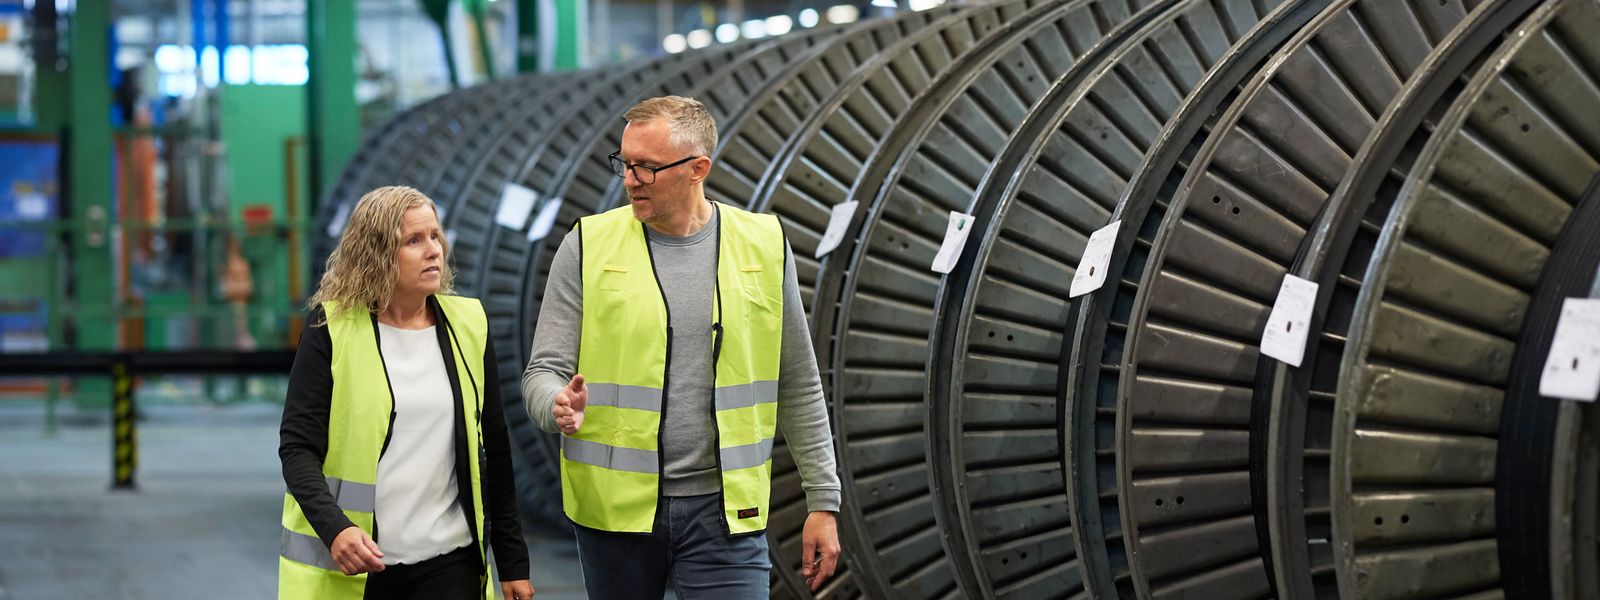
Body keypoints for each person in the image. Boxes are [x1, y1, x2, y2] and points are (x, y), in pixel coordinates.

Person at [521, 95, 843, 598]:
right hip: (616, 516)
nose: (628, 179)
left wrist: (823, 500)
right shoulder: (587, 246)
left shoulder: (763, 245)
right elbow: (543, 370)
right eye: (624, 163)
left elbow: (798, 381)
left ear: (698, 169)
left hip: (725, 514)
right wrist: (554, 404)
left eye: (646, 168)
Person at [279, 186, 536, 600]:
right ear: (376, 254)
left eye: (435, 236)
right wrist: (336, 528)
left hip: (449, 561)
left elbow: (496, 450)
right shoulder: (332, 330)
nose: (433, 250)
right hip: (362, 567)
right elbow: (297, 448)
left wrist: (512, 562)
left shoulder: (468, 323)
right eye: (413, 241)